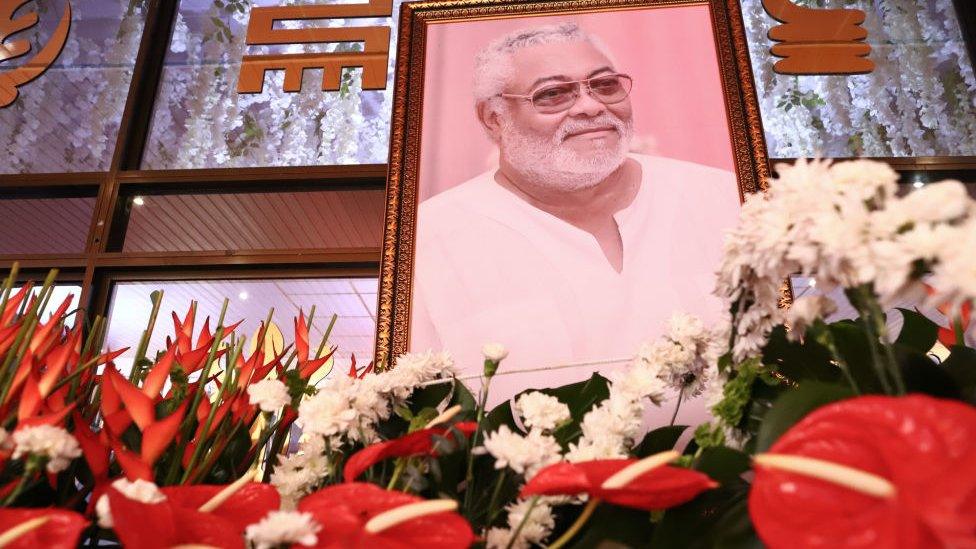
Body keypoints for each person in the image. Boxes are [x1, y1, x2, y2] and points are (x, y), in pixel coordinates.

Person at [410, 22, 741, 417]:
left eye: (605, 85)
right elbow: (423, 416)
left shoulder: (728, 198)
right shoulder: (426, 239)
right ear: (493, 118)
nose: (590, 106)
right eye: (552, 94)